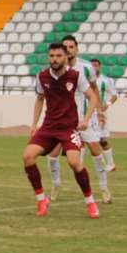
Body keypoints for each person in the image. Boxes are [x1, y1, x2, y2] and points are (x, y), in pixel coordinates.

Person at [22, 41, 102, 219]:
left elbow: (93, 97)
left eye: (58, 56)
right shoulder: (42, 76)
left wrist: (87, 119)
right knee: (28, 156)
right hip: (49, 127)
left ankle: (90, 202)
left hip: (68, 128)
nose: (55, 59)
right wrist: (34, 125)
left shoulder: (76, 76)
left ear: (66, 57)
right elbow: (40, 98)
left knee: (74, 162)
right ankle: (41, 199)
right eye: (51, 56)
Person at [44, 35, 99, 199]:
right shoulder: (54, 70)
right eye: (65, 47)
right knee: (53, 154)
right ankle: (56, 184)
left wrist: (98, 112)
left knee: (95, 150)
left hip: (80, 118)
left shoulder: (85, 69)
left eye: (71, 46)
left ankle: (103, 188)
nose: (68, 49)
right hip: (59, 119)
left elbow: (93, 90)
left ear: (76, 48)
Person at [87, 56, 119, 180]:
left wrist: (107, 105)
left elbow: (115, 95)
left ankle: (110, 164)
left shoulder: (106, 80)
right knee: (85, 139)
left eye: (96, 65)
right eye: (92, 65)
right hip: (88, 112)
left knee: (102, 140)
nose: (94, 67)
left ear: (100, 67)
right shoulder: (85, 79)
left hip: (100, 112)